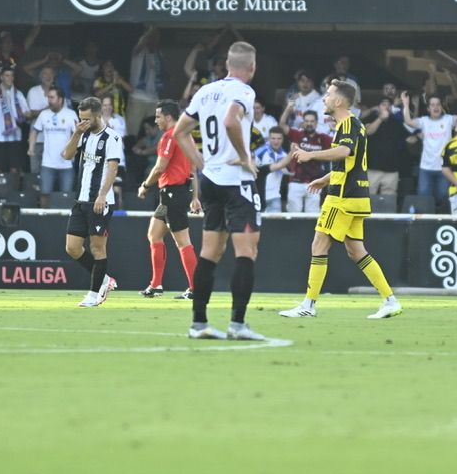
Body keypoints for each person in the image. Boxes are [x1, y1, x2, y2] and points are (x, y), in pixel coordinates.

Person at [281, 79, 402, 320]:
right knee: (356, 251)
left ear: (338, 101)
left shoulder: (347, 124)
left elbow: (345, 152)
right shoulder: (353, 125)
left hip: (342, 199)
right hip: (356, 197)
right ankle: (390, 300)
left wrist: (310, 154)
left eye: (328, 94)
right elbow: (350, 163)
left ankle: (309, 304)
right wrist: (325, 180)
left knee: (319, 245)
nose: (324, 98)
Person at [173, 40, 266, 341]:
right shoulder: (244, 92)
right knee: (246, 252)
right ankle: (238, 324)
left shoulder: (205, 91)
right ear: (251, 67)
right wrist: (244, 156)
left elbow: (179, 132)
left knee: (209, 253)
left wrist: (199, 161)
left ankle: (198, 323)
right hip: (236, 181)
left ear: (227, 65)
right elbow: (230, 121)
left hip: (211, 179)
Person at [136, 100, 199, 299]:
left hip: (173, 193)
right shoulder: (186, 136)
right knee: (154, 235)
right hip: (175, 194)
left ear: (168, 117)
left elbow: (160, 167)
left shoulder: (169, 137)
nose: (156, 120)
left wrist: (145, 185)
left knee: (183, 242)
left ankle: (197, 289)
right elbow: (193, 169)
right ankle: (156, 285)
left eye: (158, 116)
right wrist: (194, 197)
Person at [62, 96, 121, 307]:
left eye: (87, 119)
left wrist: (103, 195)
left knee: (97, 248)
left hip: (100, 201)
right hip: (81, 200)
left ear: (98, 115)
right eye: (81, 118)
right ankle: (104, 278)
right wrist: (77, 132)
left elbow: (112, 168)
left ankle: (95, 294)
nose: (83, 122)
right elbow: (66, 155)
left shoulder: (112, 138)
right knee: (72, 247)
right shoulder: (83, 135)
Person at [28, 86, 78, 207]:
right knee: (44, 194)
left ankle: (66, 222)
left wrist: (72, 150)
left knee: (66, 195)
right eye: (48, 97)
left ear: (60, 99)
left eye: (52, 97)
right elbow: (34, 131)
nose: (49, 100)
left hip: (66, 164)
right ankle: (45, 218)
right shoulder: (44, 115)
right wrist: (31, 148)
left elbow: (78, 135)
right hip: (48, 163)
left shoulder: (71, 114)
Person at [403, 91, 455, 205]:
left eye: (438, 104)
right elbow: (408, 121)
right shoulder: (424, 121)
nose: (435, 107)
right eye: (432, 105)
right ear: (428, 108)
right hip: (426, 167)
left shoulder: (448, 119)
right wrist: (406, 105)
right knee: (423, 197)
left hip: (444, 168)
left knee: (443, 197)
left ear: (442, 107)